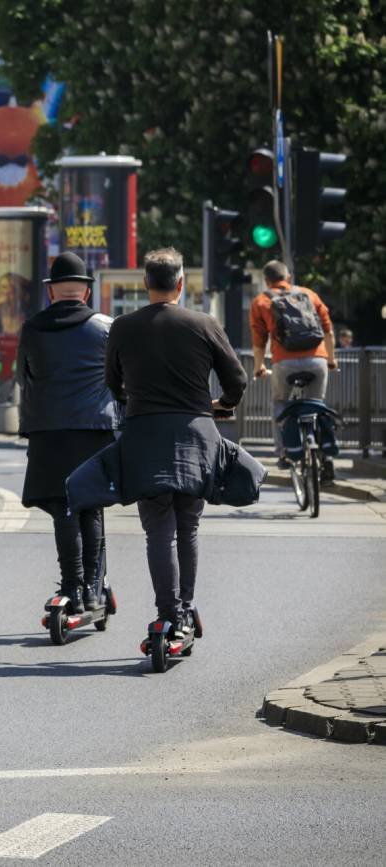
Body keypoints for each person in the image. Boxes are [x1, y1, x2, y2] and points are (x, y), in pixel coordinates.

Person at [105, 248, 247, 635]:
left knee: (158, 530)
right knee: (188, 525)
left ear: (146, 284)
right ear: (181, 284)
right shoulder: (204, 324)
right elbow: (237, 380)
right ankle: (184, 609)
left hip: (144, 437)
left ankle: (167, 613)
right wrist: (222, 405)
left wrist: (130, 401)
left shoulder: (123, 326)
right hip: (195, 437)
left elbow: (111, 382)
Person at [17, 251, 118, 613]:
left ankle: (71, 587)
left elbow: (22, 378)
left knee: (63, 509)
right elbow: (119, 380)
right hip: (94, 431)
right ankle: (92, 589)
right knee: (90, 507)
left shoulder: (31, 329)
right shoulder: (106, 328)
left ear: (51, 292)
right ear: (86, 293)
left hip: (48, 432)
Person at [249, 260, 337, 467]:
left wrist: (259, 366)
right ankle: (327, 457)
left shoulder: (261, 301)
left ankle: (284, 454)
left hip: (284, 363)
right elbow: (328, 330)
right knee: (317, 404)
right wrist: (331, 360)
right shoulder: (309, 294)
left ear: (266, 281)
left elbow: (259, 342)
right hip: (317, 360)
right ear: (288, 277)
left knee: (281, 404)